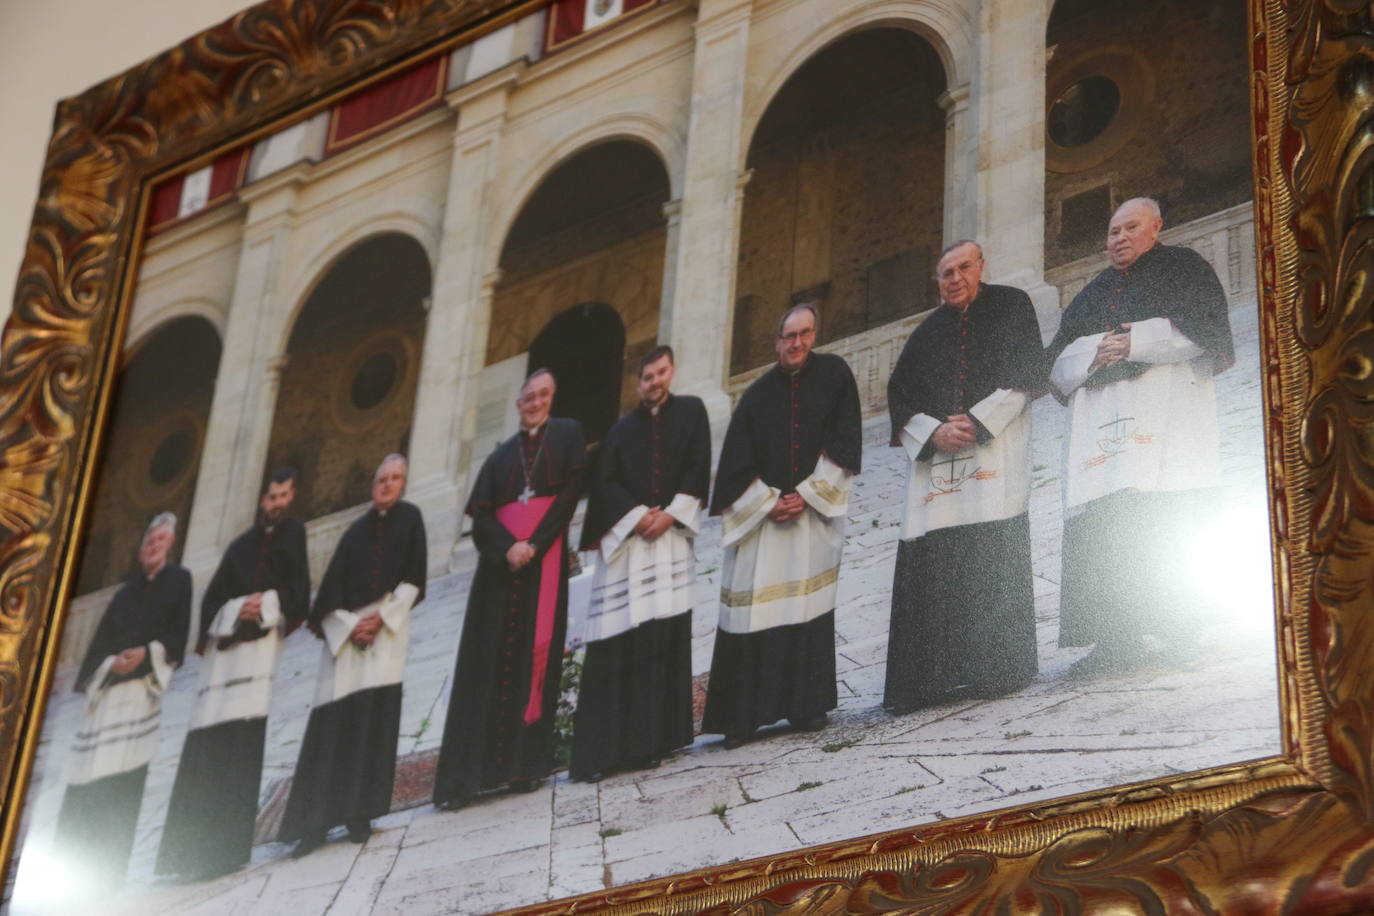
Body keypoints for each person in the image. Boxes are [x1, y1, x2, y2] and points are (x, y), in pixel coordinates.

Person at [1045, 197, 1234, 675]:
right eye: (1112, 232)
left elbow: (1207, 329)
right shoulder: (1090, 294)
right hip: (1102, 430)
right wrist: (1096, 350)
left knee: (1166, 522)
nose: (1120, 238)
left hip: (1166, 416)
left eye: (1131, 228)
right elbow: (1055, 360)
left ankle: (1182, 631)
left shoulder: (1184, 268)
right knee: (1106, 530)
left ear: (1156, 228)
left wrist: (1138, 341)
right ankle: (1115, 641)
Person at [883, 241, 1047, 712]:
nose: (954, 279)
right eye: (945, 273)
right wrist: (933, 430)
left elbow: (1025, 372)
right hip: (938, 464)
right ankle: (931, 680)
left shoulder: (1012, 305)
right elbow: (901, 395)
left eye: (963, 268)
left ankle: (997, 670)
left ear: (981, 268)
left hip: (992, 452)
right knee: (935, 562)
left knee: (990, 554)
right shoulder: (926, 332)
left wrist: (977, 421)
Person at [703, 304, 861, 748]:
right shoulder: (755, 396)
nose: (797, 343)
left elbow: (846, 435)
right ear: (777, 342)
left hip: (810, 514)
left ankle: (805, 706)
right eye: (789, 336)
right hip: (765, 522)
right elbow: (734, 461)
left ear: (815, 334)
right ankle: (743, 718)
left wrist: (808, 493)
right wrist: (769, 502)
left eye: (805, 334)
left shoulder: (834, 375)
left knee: (806, 608)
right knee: (753, 613)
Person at [432, 369, 588, 808]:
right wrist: (509, 550)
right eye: (528, 398)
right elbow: (480, 519)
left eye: (542, 395)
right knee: (487, 662)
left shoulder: (568, 436)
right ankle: (470, 777)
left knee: (534, 656)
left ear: (552, 399)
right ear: (518, 404)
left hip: (545, 561)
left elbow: (569, 494)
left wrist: (535, 544)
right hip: (500, 574)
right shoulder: (500, 457)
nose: (535, 403)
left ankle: (525, 767)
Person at [156, 468, 310, 880]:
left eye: (283, 496)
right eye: (271, 497)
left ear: (290, 499)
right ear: (262, 501)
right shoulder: (240, 546)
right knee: (206, 747)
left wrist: (266, 603)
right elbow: (212, 603)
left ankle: (225, 852)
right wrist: (236, 607)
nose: (276, 503)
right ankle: (184, 855)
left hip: (257, 659)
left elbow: (299, 595)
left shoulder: (295, 536)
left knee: (241, 746)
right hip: (221, 666)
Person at [570, 346, 710, 781]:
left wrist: (669, 514)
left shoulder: (692, 412)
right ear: (638, 383)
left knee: (658, 638)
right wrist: (637, 516)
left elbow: (697, 464)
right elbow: (605, 481)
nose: (655, 382)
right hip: (629, 548)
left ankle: (651, 743)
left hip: (668, 541)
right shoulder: (618, 431)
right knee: (616, 644)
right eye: (647, 377)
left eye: (661, 373)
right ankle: (601, 754)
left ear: (672, 371)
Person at [278, 454, 426, 853]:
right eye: (382, 478)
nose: (388, 485)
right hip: (345, 638)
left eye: (396, 479)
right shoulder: (354, 532)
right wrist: (349, 625)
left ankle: (358, 814)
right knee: (332, 728)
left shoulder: (412, 520)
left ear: (404, 484)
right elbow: (328, 594)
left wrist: (380, 619)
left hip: (385, 634)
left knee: (369, 723)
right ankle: (313, 825)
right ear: (373, 484)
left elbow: (415, 578)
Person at [55, 512, 191, 890]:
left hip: (139, 696)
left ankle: (109, 875)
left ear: (171, 545)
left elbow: (178, 633)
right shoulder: (123, 593)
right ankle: (73, 868)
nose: (154, 544)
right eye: (150, 539)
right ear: (141, 546)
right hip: (108, 692)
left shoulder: (180, 581)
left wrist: (147, 654)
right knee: (87, 779)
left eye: (162, 540)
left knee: (124, 783)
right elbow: (98, 646)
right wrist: (110, 662)